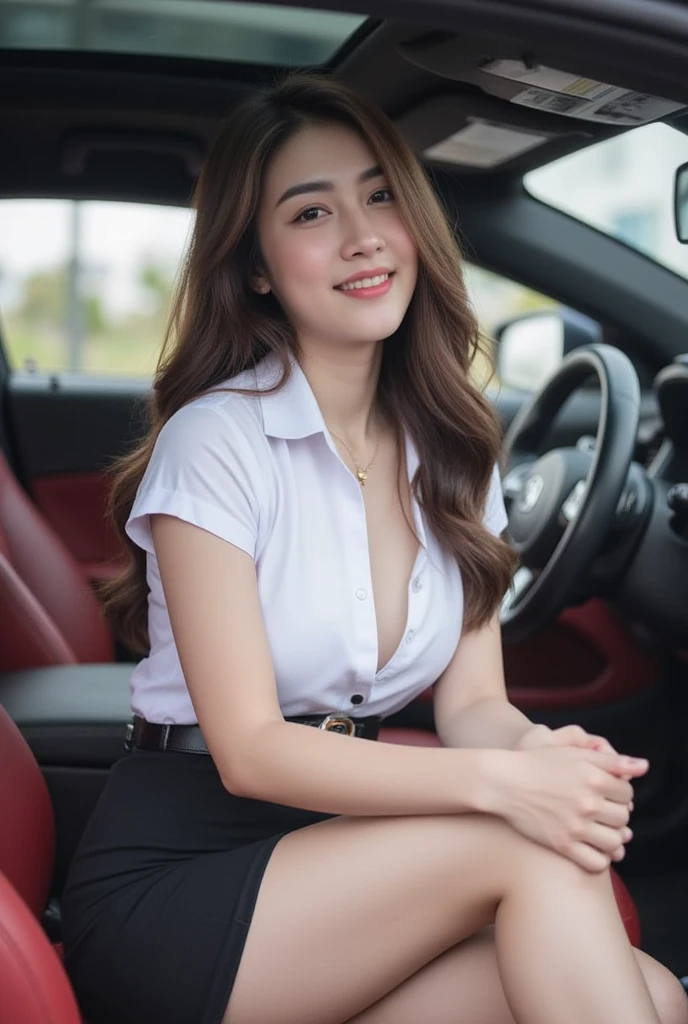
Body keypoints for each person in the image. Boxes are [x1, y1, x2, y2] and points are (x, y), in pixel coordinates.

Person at [61, 73, 688, 1024]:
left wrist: (544, 754)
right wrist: (505, 788)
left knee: (648, 992)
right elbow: (253, 752)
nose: (362, 235)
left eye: (380, 195)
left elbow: (475, 704)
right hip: (183, 879)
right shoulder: (218, 441)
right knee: (522, 842)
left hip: (342, 859)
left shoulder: (454, 444)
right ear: (258, 265)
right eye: (311, 211)